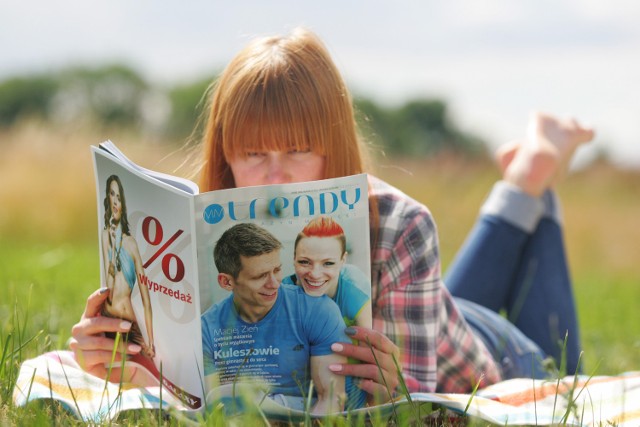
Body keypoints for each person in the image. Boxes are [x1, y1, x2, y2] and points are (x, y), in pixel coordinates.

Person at [70, 27, 594, 406]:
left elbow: (418, 408)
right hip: (433, 307)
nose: (275, 177)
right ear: (225, 154)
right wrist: (124, 360)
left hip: (497, 359)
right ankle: (528, 174)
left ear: (333, 146)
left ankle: (533, 180)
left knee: (570, 381)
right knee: (457, 298)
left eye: (298, 151)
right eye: (253, 154)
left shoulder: (401, 223)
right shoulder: (213, 232)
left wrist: (397, 393)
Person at [201, 223, 350, 414]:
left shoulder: (318, 310)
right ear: (227, 281)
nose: (274, 283)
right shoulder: (206, 329)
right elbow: (216, 407)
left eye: (277, 270)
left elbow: (331, 400)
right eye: (261, 276)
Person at [99, 175, 155, 359]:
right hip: (109, 321)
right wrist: (114, 246)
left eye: (119, 197)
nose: (115, 201)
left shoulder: (131, 244)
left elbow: (147, 301)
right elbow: (109, 284)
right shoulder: (106, 236)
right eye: (111, 194)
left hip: (131, 324)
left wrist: (151, 342)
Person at [283, 216, 372, 329]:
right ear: (294, 258)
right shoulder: (282, 293)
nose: (315, 274)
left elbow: (370, 342)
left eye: (328, 263)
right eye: (305, 262)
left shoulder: (354, 292)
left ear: (343, 260)